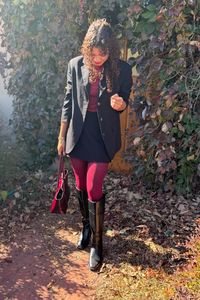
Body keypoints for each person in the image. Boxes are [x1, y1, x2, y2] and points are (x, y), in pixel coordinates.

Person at [57, 19, 132, 271]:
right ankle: (86, 226)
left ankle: (98, 245)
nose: (98, 58)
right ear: (87, 48)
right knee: (79, 184)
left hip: (102, 137)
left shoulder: (121, 69)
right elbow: (68, 101)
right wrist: (61, 136)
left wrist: (121, 104)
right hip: (77, 135)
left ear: (111, 49)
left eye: (103, 53)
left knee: (93, 186)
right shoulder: (75, 65)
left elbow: (125, 101)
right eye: (93, 53)